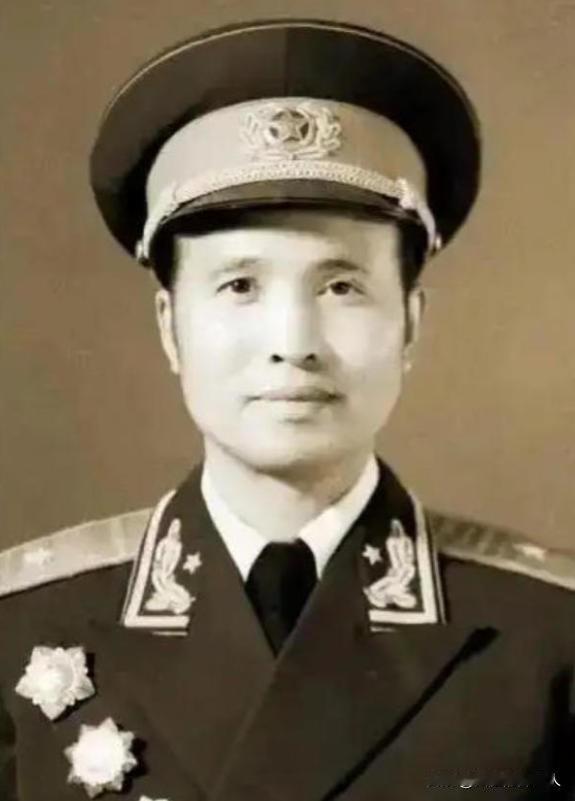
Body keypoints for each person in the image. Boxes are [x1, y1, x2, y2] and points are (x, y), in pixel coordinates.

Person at [1, 19, 574, 801]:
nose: (292, 343)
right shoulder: (21, 625)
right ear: (169, 325)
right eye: (239, 285)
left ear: (409, 324)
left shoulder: (547, 635)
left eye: (341, 286)